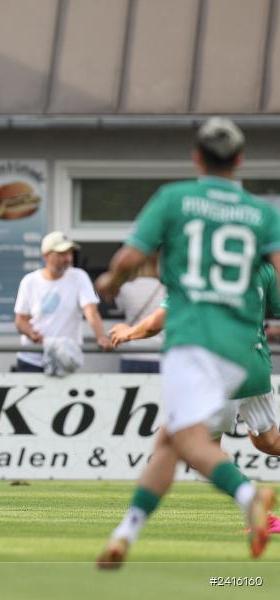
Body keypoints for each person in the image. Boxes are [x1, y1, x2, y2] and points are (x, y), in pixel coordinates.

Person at [95, 117, 280, 567]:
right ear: (239, 160)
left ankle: (249, 496)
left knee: (188, 438)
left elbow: (130, 256)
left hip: (193, 337)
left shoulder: (175, 198)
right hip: (241, 349)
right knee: (171, 443)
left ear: (196, 157)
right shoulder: (262, 213)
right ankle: (125, 533)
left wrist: (111, 280)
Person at [109, 263, 280, 536]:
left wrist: (127, 332)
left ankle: (258, 509)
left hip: (220, 372)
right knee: (268, 442)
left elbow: (155, 324)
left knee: (199, 451)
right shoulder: (263, 267)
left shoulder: (197, 270)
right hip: (256, 366)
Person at [13, 231, 110, 372]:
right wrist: (30, 333)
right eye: (61, 254)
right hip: (31, 360)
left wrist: (101, 337)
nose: (68, 258)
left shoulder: (79, 277)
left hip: (66, 359)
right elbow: (20, 320)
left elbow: (91, 311)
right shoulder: (29, 281)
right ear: (46, 256)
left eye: (70, 253)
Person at [113, 254, 166, 373]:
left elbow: (119, 307)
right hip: (157, 354)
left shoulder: (126, 287)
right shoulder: (163, 288)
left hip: (131, 353)